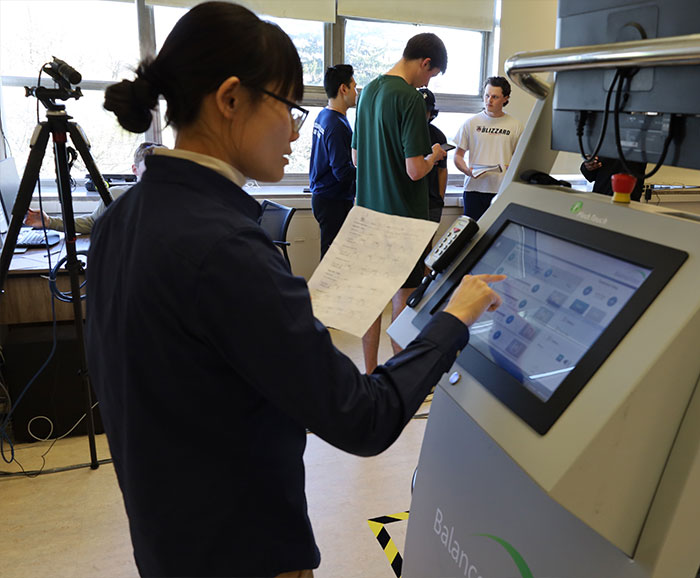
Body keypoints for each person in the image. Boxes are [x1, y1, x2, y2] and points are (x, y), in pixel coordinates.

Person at [87, 4, 504, 577]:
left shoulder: (122, 218)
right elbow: (365, 418)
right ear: (231, 99)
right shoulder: (226, 247)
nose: (294, 128)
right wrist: (452, 319)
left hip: (168, 536)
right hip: (245, 547)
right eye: (288, 107)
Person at [352, 33, 448, 374]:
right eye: (432, 74)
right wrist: (435, 155)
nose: (427, 83)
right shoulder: (409, 98)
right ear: (425, 63)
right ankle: (398, 375)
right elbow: (414, 170)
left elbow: (356, 159)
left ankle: (369, 373)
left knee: (371, 302)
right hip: (403, 219)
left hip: (368, 214)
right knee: (403, 299)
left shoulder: (367, 93)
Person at [23, 142, 165, 233]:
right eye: (152, 168)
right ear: (135, 169)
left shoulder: (179, 197)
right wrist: (50, 222)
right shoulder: (115, 196)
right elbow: (92, 223)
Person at [454, 76, 524, 221]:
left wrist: (510, 168)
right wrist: (467, 170)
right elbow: (458, 156)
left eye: (494, 97)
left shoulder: (515, 126)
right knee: (472, 236)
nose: (489, 100)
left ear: (505, 98)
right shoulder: (471, 123)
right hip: (474, 189)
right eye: (487, 95)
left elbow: (521, 159)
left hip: (501, 190)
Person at [309, 64, 357, 258]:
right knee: (333, 262)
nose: (356, 93)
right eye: (354, 87)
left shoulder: (324, 115)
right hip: (333, 201)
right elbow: (342, 173)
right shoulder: (336, 124)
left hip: (324, 197)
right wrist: (370, 169)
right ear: (343, 89)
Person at [418, 88, 448, 224]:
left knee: (428, 244)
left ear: (431, 113)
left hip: (432, 202)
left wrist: (440, 199)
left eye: (425, 111)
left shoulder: (438, 136)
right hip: (408, 201)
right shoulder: (401, 134)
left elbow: (442, 170)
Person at [580, 156, 647, 201]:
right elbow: (591, 175)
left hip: (627, 199)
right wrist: (588, 166)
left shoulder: (638, 142)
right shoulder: (603, 141)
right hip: (601, 197)